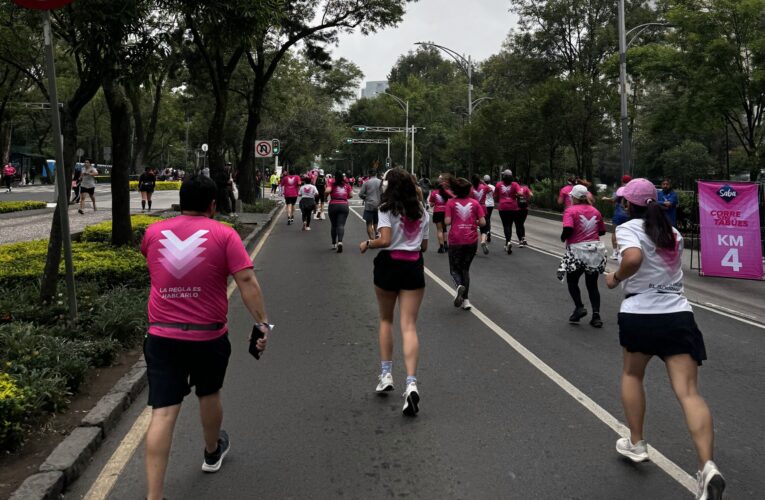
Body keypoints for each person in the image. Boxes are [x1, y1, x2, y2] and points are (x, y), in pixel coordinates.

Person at [140, 174, 270, 500]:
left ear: (180, 200)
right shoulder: (224, 235)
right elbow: (247, 281)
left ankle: (154, 496)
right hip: (208, 336)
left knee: (163, 412)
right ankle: (212, 452)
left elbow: (155, 268)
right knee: (209, 394)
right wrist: (263, 324)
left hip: (162, 336)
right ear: (213, 205)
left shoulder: (153, 233)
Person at [605, 178, 725, 500]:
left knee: (632, 374)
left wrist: (614, 279)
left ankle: (637, 442)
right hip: (677, 315)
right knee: (689, 393)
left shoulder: (629, 228)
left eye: (623, 202)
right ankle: (707, 466)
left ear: (629, 205)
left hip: (640, 314)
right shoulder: (672, 234)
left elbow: (632, 259)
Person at [359, 168, 429, 416]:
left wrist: (368, 243)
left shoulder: (386, 209)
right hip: (413, 266)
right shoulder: (422, 212)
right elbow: (424, 245)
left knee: (386, 319)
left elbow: (385, 240)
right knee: (409, 325)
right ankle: (411, 384)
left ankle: (386, 373)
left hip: (389, 265)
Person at [558, 184, 607, 327]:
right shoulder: (595, 211)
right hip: (595, 251)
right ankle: (596, 316)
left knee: (572, 281)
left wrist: (563, 238)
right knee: (592, 285)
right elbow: (602, 231)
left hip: (578, 251)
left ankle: (579, 307)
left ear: (574, 197)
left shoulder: (570, 211)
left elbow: (568, 228)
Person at [445, 178, 486, 311]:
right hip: (471, 241)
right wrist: (473, 223)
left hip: (456, 240)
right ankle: (466, 301)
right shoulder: (475, 203)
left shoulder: (450, 202)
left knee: (454, 269)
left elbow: (447, 221)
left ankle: (458, 286)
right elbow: (483, 222)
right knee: (465, 269)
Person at [602, 175, 632, 260]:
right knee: (626, 233)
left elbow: (613, 200)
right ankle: (623, 252)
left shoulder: (620, 189)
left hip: (619, 214)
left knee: (615, 232)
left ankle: (615, 252)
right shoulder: (632, 190)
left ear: (622, 181)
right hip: (628, 215)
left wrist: (605, 198)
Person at [494, 169, 521, 255]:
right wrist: (516, 195)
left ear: (504, 176)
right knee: (510, 224)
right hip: (513, 207)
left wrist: (501, 198)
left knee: (506, 225)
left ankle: (508, 241)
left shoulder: (498, 184)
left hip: (503, 207)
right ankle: (508, 242)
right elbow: (520, 193)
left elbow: (495, 196)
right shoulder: (515, 184)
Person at [326, 171, 352, 252]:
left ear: (335, 178)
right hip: (344, 205)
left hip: (333, 205)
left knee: (334, 225)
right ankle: (340, 242)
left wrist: (325, 197)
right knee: (341, 225)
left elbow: (327, 191)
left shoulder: (332, 185)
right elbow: (351, 195)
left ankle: (334, 243)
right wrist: (345, 197)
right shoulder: (347, 185)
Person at [427, 174, 453, 253]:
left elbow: (431, 204)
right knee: (445, 229)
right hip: (445, 212)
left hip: (437, 212)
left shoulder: (434, 193)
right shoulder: (446, 192)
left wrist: (434, 203)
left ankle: (441, 247)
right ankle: (446, 245)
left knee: (439, 230)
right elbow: (452, 197)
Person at [471, 174, 493, 254]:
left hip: (474, 209)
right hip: (483, 208)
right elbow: (490, 189)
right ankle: (483, 241)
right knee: (484, 228)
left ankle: (474, 249)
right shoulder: (484, 187)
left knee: (473, 228)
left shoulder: (471, 188)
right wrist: (483, 183)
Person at [359, 171, 383, 239]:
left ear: (369, 174)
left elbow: (360, 194)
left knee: (369, 223)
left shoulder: (366, 183)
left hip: (369, 205)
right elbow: (383, 193)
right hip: (378, 205)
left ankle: (371, 238)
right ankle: (377, 233)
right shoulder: (380, 182)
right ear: (376, 174)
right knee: (376, 221)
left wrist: (366, 197)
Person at [515, 181, 533, 247]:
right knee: (521, 224)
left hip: (517, 209)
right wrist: (527, 199)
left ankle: (520, 241)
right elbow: (531, 195)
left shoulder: (516, 188)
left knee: (518, 225)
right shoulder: (526, 188)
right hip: (525, 209)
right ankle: (524, 238)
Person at [483, 175, 495, 243]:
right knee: (488, 218)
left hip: (485, 204)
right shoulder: (493, 187)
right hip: (491, 204)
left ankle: (486, 231)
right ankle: (488, 231)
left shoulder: (483, 186)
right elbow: (495, 194)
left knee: (485, 219)